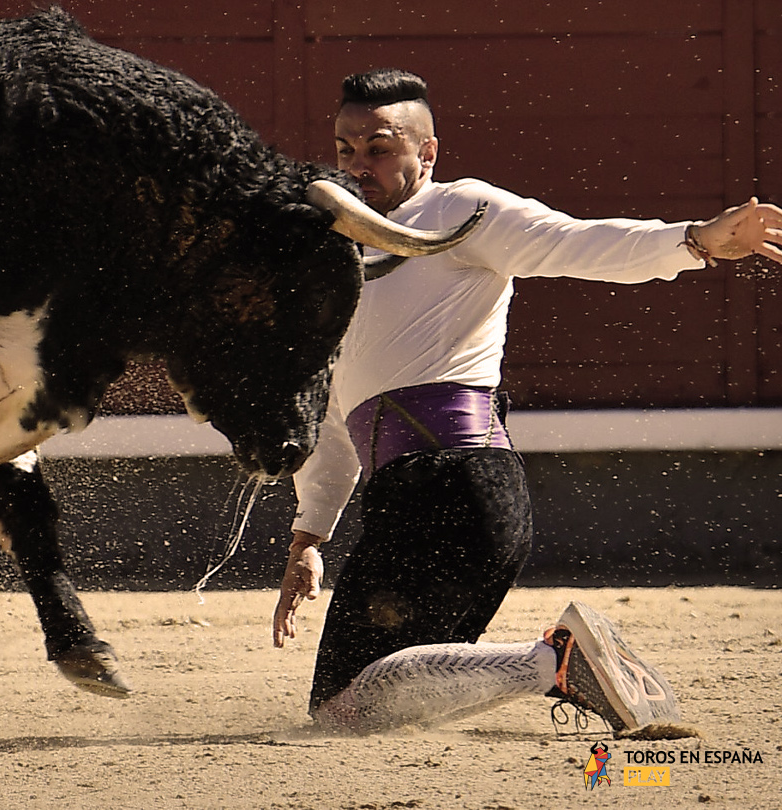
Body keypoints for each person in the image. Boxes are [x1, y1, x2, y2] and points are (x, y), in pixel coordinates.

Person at [271, 68, 782, 735]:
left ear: (427, 153)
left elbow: (575, 242)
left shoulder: (461, 210)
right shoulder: (338, 251)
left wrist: (693, 240)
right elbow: (338, 407)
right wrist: (309, 536)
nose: (358, 163)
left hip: (454, 488)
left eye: (379, 146)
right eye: (345, 148)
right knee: (374, 705)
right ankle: (554, 664)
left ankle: (555, 664)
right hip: (435, 496)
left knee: (343, 708)